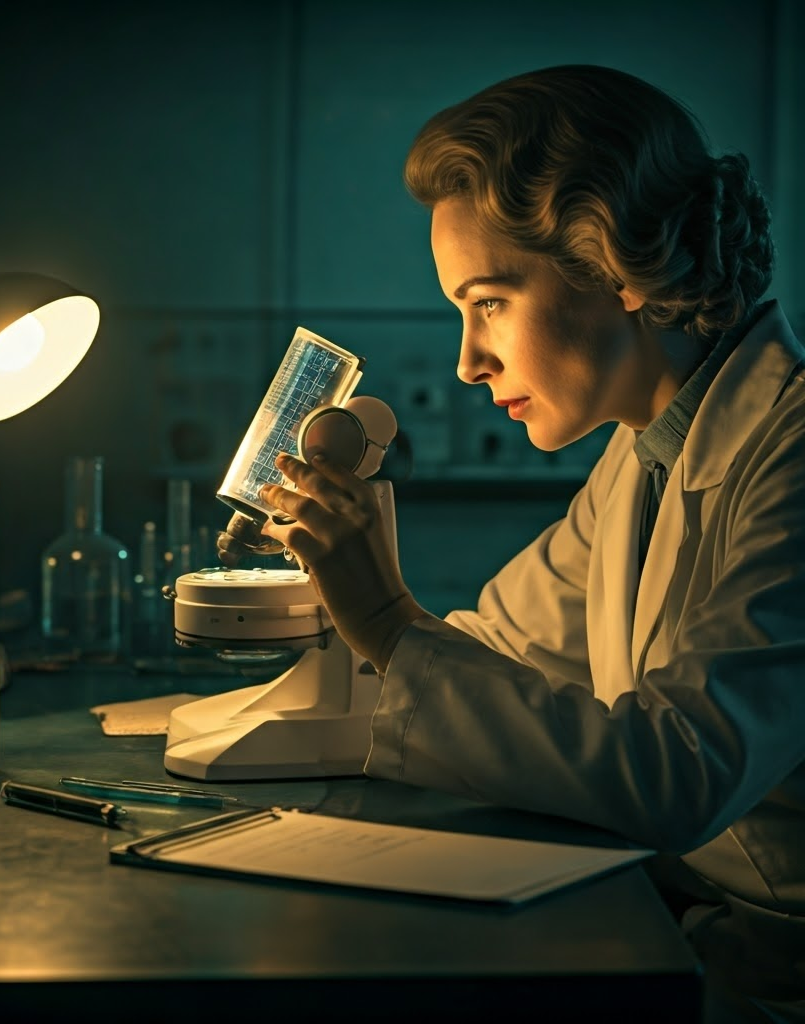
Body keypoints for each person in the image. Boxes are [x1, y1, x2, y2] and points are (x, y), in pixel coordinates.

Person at [223, 65, 805, 1022]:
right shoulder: (641, 456)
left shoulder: (790, 454)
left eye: (488, 301)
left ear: (611, 259)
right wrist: (331, 640)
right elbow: (499, 645)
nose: (466, 359)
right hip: (695, 934)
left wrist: (380, 615)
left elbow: (683, 773)